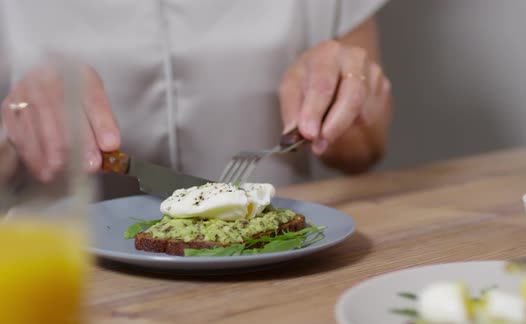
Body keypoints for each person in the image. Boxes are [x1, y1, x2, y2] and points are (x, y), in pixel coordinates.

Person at [0, 0, 393, 188]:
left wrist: (340, 106)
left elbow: (364, 151)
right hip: (59, 278)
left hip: (274, 278)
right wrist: (12, 122)